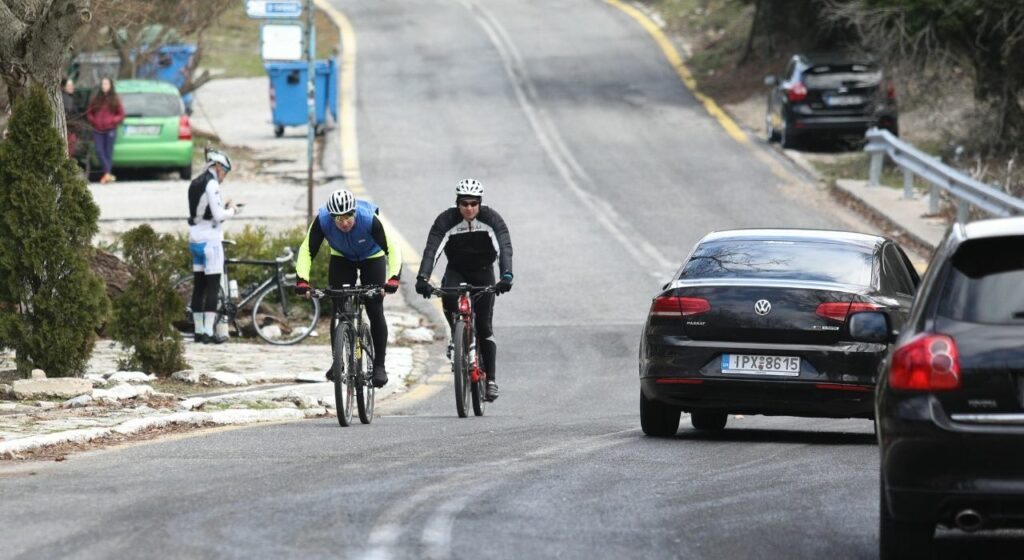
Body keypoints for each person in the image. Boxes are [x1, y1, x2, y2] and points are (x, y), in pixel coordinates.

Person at [414, 178, 513, 402]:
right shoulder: (446, 220)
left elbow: (504, 247)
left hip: (483, 271)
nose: (469, 208)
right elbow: (432, 250)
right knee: (448, 298)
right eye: (464, 203)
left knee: (485, 326)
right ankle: (455, 337)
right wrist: (423, 277)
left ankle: (491, 381)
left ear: (480, 203)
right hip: (457, 270)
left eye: (473, 203)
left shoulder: (492, 219)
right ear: (457, 203)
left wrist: (507, 275)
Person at [295, 189, 402, 388]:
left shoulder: (369, 219)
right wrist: (302, 280)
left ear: (354, 212)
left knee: (374, 308)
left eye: (348, 217)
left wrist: (394, 278)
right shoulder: (323, 220)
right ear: (331, 216)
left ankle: (379, 365)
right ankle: (338, 362)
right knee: (339, 310)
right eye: (339, 219)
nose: (344, 223)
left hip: (372, 256)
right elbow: (307, 250)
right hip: (342, 257)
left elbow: (393, 247)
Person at [187, 148, 241, 344]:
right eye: (225, 171)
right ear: (217, 166)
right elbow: (218, 216)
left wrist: (221, 208)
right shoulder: (212, 184)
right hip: (211, 240)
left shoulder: (195, 183)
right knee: (212, 287)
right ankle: (209, 333)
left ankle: (199, 331)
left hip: (194, 238)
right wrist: (232, 211)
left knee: (198, 287)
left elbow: (203, 210)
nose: (224, 176)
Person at [85, 77, 124, 184]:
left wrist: (113, 120)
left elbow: (121, 114)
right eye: (103, 84)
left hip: (110, 129)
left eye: (106, 84)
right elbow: (89, 112)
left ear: (110, 85)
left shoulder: (115, 98)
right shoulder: (96, 98)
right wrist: (93, 120)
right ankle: (108, 174)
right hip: (97, 129)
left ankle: (106, 175)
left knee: (108, 152)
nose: (104, 86)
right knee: (99, 150)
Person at [60, 77, 80, 159]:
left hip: (70, 130)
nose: (72, 87)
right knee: (67, 153)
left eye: (72, 85)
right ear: (64, 87)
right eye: (69, 85)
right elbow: (69, 115)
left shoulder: (71, 97)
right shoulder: (66, 99)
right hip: (68, 130)